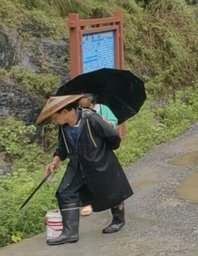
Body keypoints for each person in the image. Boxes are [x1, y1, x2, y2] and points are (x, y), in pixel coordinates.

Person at [38, 95, 133, 245]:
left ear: (65, 112)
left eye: (54, 116)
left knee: (111, 189)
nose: (53, 120)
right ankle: (69, 233)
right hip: (77, 164)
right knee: (65, 192)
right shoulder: (63, 127)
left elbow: (113, 136)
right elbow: (62, 148)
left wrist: (105, 152)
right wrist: (54, 162)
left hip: (98, 161)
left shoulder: (91, 119)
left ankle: (118, 220)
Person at [77, 94, 119, 216]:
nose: (84, 109)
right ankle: (88, 203)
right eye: (81, 106)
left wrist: (106, 123)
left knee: (107, 177)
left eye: (87, 106)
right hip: (87, 149)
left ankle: (115, 208)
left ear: (92, 103)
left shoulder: (102, 108)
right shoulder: (80, 113)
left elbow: (114, 122)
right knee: (86, 176)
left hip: (102, 147)